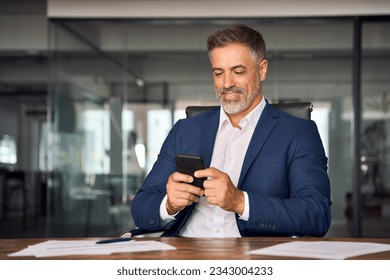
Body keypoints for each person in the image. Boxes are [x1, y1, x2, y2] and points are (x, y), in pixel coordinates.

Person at [131, 24, 331, 237]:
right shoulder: (185, 130)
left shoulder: (298, 133)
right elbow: (141, 207)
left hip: (253, 260)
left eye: (238, 71)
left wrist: (240, 201)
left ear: (262, 70)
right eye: (218, 73)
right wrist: (169, 205)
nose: (227, 83)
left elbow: (316, 215)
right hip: (184, 256)